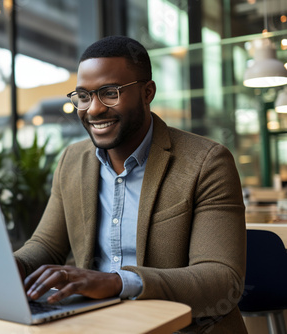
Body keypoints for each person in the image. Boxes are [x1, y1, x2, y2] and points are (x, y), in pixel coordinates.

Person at [14, 35, 247, 333]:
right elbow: (46, 245)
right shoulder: (72, 160)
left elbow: (222, 279)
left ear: (147, 92)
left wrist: (116, 282)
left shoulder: (207, 162)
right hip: (96, 324)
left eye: (110, 93)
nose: (94, 109)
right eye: (83, 96)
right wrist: (10, 267)